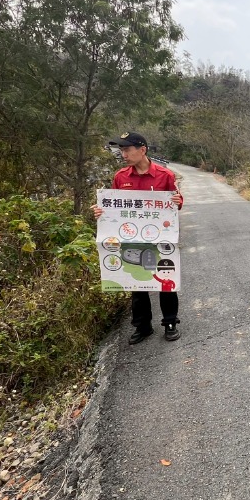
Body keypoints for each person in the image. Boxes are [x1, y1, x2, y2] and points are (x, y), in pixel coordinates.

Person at [91, 131, 184, 344]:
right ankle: (143, 326)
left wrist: (178, 201)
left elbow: (176, 203)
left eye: (127, 150)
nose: (123, 154)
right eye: (121, 150)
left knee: (165, 281)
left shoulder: (165, 175)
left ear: (142, 150)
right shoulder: (121, 177)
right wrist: (100, 211)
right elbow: (113, 206)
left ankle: (170, 323)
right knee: (137, 283)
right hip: (131, 238)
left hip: (160, 239)